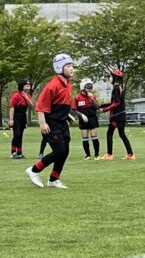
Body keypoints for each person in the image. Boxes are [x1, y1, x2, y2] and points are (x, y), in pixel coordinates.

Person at [25, 53, 75, 189]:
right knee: (59, 151)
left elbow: (61, 104)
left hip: (62, 123)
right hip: (51, 123)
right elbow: (40, 106)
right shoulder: (52, 85)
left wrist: (68, 115)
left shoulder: (68, 84)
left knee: (65, 151)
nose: (72, 68)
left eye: (72, 65)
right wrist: (42, 123)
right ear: (59, 67)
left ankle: (54, 179)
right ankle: (34, 170)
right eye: (68, 66)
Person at [99, 69, 135, 160]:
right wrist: (101, 106)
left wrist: (105, 109)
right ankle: (130, 154)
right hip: (120, 115)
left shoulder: (116, 88)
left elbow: (116, 103)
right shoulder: (119, 87)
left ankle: (109, 155)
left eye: (111, 77)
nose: (109, 78)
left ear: (115, 78)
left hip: (117, 116)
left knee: (109, 133)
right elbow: (114, 102)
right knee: (121, 134)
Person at [72, 78, 101, 160]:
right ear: (83, 87)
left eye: (90, 87)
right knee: (85, 138)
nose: (89, 89)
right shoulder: (77, 97)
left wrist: (92, 99)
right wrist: (82, 115)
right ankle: (87, 155)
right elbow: (74, 109)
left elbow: (97, 107)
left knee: (94, 136)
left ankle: (97, 155)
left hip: (92, 118)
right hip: (83, 120)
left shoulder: (92, 96)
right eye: (87, 87)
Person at [9, 79, 33, 159]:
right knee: (17, 135)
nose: (28, 88)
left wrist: (26, 97)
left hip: (23, 116)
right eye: (27, 86)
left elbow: (31, 105)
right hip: (16, 116)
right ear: (22, 86)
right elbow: (12, 107)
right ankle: (13, 152)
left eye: (29, 86)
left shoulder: (28, 95)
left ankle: (19, 153)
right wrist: (11, 119)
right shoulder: (16, 95)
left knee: (21, 136)